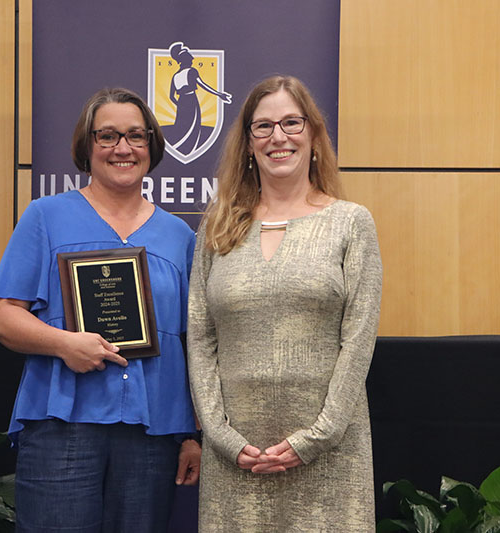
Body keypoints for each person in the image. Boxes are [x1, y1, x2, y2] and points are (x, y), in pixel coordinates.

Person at [0, 87, 201, 533]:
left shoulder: (179, 236)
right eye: (107, 136)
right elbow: (1, 314)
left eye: (136, 136)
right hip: (63, 424)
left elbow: (196, 341)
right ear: (87, 146)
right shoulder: (46, 216)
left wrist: (192, 434)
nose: (123, 148)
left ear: (152, 146)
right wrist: (63, 343)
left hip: (153, 431)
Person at [187, 75, 382, 531]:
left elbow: (359, 339)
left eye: (292, 123)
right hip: (237, 457)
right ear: (248, 144)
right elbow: (199, 336)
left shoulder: (350, 223)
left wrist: (319, 436)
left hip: (330, 454)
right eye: (263, 126)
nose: (278, 137)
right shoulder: (216, 228)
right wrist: (220, 436)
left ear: (313, 134)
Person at [165, 41, 232, 156]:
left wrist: (180, 105)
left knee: (182, 126)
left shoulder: (175, 76)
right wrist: (219, 94)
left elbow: (171, 96)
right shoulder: (191, 71)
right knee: (193, 126)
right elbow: (203, 85)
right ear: (185, 60)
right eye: (190, 58)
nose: (192, 60)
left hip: (181, 103)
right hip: (191, 100)